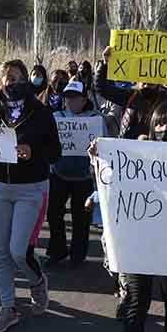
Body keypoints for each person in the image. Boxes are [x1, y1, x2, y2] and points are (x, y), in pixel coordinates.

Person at [92, 101, 167, 332]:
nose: (164, 130)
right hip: (139, 239)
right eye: (160, 123)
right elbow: (113, 177)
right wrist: (98, 157)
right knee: (136, 301)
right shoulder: (135, 151)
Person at [0, 60, 61, 332]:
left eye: (19, 78)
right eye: (8, 79)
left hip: (31, 188)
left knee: (19, 251)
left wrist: (34, 152)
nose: (14, 83)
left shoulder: (41, 113)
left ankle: (37, 280)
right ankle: (7, 308)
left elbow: (55, 153)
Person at [45, 79, 101, 267]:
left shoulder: (95, 119)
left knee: (81, 218)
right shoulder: (56, 117)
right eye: (68, 97)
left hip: (84, 176)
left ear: (84, 99)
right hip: (58, 174)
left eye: (75, 98)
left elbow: (106, 146)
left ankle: (78, 255)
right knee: (54, 215)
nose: (71, 101)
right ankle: (57, 251)